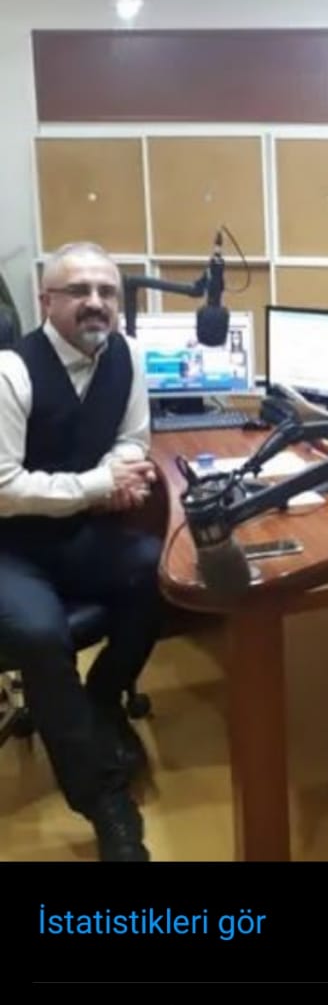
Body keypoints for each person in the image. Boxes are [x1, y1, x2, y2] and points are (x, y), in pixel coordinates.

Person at [0, 244, 162, 861]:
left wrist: (121, 472)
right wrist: (98, 485)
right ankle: (103, 800)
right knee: (40, 634)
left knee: (160, 570)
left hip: (76, 534)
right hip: (11, 546)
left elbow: (132, 439)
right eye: (79, 290)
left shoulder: (128, 356)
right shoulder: (11, 373)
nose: (96, 302)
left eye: (107, 291)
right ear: (46, 301)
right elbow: (3, 487)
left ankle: (102, 697)